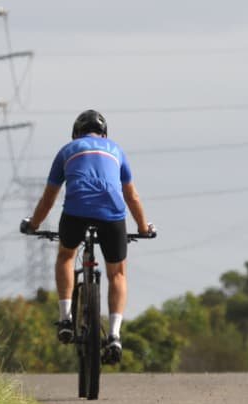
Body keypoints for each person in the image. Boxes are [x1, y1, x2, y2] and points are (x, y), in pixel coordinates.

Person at [20, 109, 153, 365]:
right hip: (112, 213)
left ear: (76, 133)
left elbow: (49, 198)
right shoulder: (116, 150)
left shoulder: (67, 150)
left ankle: (66, 317)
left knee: (66, 256)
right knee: (117, 273)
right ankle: (114, 334)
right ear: (104, 134)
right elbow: (132, 196)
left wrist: (34, 224)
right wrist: (144, 227)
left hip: (76, 211)